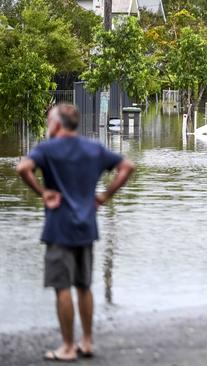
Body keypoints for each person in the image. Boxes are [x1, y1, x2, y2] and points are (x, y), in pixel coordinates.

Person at [16, 104, 135, 362]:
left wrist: (42, 193)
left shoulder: (46, 149)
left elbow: (23, 169)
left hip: (59, 227)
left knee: (62, 288)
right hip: (86, 226)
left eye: (50, 120)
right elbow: (127, 167)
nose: (49, 125)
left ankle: (68, 347)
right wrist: (104, 196)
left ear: (57, 125)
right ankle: (88, 341)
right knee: (84, 286)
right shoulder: (93, 148)